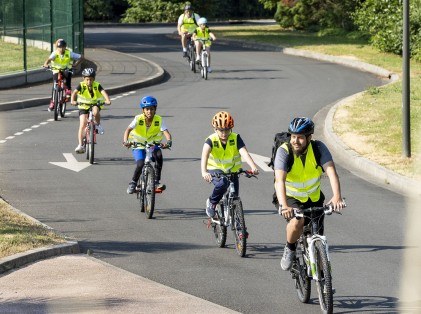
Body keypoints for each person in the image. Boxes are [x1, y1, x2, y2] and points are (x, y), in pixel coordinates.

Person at [274, 117, 346, 271]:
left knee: (318, 237)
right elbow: (279, 180)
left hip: (314, 199)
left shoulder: (319, 148)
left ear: (309, 137)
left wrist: (337, 196)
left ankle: (324, 283)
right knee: (297, 222)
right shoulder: (284, 151)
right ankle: (290, 249)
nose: (295, 141)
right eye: (293, 137)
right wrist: (284, 206)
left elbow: (332, 173)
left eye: (300, 137)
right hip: (290, 197)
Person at [201, 111, 259, 217]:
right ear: (215, 129)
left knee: (235, 197)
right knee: (223, 183)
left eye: (227, 130)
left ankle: (238, 227)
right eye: (221, 130)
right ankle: (212, 202)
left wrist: (253, 166)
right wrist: (204, 172)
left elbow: (244, 153)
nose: (224, 133)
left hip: (233, 170)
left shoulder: (236, 138)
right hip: (215, 170)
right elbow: (204, 155)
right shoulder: (211, 140)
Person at [123, 96, 172, 194]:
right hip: (138, 145)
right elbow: (128, 130)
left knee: (159, 156)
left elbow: (166, 132)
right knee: (140, 164)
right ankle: (133, 182)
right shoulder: (138, 118)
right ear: (143, 110)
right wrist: (125, 141)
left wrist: (169, 141)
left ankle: (157, 181)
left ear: (155, 110)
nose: (149, 111)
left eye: (152, 109)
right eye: (147, 109)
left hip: (153, 144)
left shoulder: (159, 119)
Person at [70, 68, 111, 154]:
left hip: (94, 104)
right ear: (83, 79)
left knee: (96, 112)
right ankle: (80, 145)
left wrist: (107, 100)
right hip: (83, 106)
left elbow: (103, 92)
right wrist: (73, 101)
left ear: (94, 79)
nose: (89, 82)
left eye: (91, 79)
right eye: (87, 79)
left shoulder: (97, 85)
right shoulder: (81, 85)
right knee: (82, 124)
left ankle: (98, 125)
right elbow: (74, 93)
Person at [43, 39, 84, 112]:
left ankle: (68, 89)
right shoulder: (55, 53)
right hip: (56, 70)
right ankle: (52, 102)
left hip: (66, 69)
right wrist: (46, 64)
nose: (61, 49)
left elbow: (81, 57)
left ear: (65, 47)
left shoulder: (69, 53)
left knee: (68, 74)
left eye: (63, 47)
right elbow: (49, 59)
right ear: (57, 47)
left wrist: (75, 64)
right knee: (55, 84)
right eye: (59, 47)